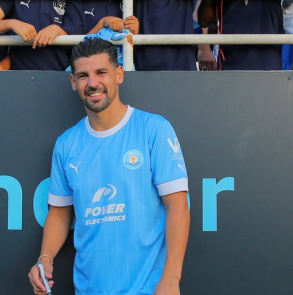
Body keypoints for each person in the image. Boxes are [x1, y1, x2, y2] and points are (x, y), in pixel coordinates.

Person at [27, 37, 190, 295]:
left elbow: (178, 207)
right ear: (73, 82)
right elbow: (59, 213)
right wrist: (45, 258)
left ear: (119, 75)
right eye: (83, 75)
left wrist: (171, 279)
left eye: (101, 72)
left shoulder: (153, 129)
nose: (93, 83)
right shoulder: (66, 144)